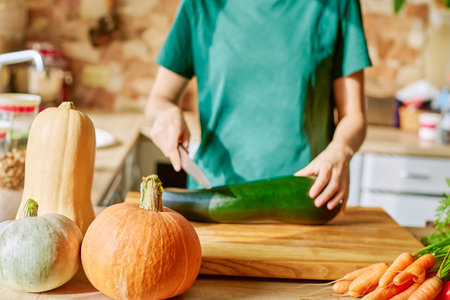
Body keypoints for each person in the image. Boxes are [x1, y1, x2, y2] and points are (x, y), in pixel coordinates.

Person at [145, 0, 371, 214]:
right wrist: (166, 113)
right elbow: (159, 99)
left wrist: (341, 150)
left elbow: (353, 115)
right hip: (213, 199)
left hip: (307, 199)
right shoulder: (200, 5)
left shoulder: (338, 4)